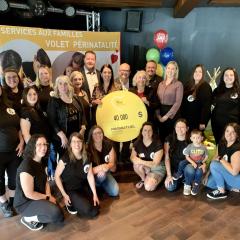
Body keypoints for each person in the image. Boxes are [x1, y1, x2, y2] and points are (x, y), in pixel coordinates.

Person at [14, 135, 64, 231]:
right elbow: (29, 194)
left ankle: (46, 208)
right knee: (56, 215)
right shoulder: (26, 166)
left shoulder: (41, 161)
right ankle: (27, 218)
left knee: (60, 214)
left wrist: (48, 195)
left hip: (38, 195)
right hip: (25, 203)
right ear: (33, 146)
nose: (43, 147)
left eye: (45, 144)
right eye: (39, 144)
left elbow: (46, 181)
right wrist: (48, 198)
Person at [55, 132, 99, 218]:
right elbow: (56, 176)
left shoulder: (87, 157)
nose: (77, 144)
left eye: (79, 141)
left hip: (82, 186)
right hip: (70, 189)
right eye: (74, 141)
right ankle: (69, 203)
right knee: (89, 211)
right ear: (70, 144)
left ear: (82, 143)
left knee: (96, 206)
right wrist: (64, 194)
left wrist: (95, 194)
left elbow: (90, 176)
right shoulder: (65, 158)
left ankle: (79, 201)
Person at [47, 75, 86, 158]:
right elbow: (52, 121)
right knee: (65, 162)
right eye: (60, 84)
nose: (63, 86)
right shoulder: (54, 100)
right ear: (57, 86)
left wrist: (83, 129)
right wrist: (62, 136)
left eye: (65, 84)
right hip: (62, 139)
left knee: (78, 159)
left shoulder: (76, 98)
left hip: (76, 138)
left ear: (69, 85)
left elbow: (83, 115)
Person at [0, 84, 24, 218]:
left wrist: (21, 141)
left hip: (15, 149)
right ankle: (4, 203)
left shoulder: (9, 104)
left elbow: (18, 125)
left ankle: (14, 201)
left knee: (15, 178)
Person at [206, 123, 240, 199]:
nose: (229, 134)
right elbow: (214, 158)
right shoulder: (221, 143)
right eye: (227, 131)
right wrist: (207, 174)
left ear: (237, 135)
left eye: (233, 132)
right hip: (228, 175)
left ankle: (222, 192)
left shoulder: (237, 149)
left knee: (215, 165)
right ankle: (231, 187)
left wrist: (221, 159)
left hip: (237, 177)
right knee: (208, 182)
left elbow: (234, 172)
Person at [130, 122, 165, 191]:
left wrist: (140, 161)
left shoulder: (158, 144)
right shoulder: (137, 143)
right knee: (136, 165)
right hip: (147, 167)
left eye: (150, 130)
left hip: (157, 168)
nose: (147, 132)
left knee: (148, 187)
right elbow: (132, 157)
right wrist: (137, 161)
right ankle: (143, 179)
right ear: (142, 132)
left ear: (152, 132)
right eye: (145, 130)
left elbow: (155, 164)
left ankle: (158, 178)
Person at [173, 129, 208, 195]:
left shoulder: (204, 147)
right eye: (194, 138)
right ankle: (179, 173)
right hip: (190, 160)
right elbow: (187, 156)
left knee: (199, 172)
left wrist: (203, 162)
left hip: (199, 162)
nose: (196, 139)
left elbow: (206, 156)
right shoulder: (190, 146)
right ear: (191, 139)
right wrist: (193, 163)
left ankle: (196, 185)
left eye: (198, 138)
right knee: (181, 163)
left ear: (202, 138)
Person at [87, 125, 119, 197]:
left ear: (103, 134)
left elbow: (112, 163)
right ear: (91, 136)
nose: (98, 135)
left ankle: (102, 186)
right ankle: (96, 186)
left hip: (105, 172)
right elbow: (87, 171)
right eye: (95, 133)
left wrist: (106, 167)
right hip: (92, 175)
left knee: (115, 192)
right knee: (102, 176)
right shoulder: (87, 149)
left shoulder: (108, 145)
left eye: (100, 132)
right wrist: (101, 167)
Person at [211, 68, 240, 144]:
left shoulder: (238, 91)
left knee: (231, 148)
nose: (228, 77)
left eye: (231, 75)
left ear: (235, 77)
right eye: (226, 75)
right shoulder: (217, 90)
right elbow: (209, 102)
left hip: (232, 126)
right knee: (220, 147)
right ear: (223, 77)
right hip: (217, 125)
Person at [156, 61, 183, 142]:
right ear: (166, 69)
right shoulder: (160, 84)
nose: (170, 70)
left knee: (170, 137)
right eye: (168, 68)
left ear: (175, 71)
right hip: (160, 112)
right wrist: (158, 115)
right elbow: (156, 100)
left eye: (173, 69)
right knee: (161, 136)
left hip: (172, 114)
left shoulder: (178, 84)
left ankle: (169, 154)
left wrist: (166, 116)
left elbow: (177, 103)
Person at [181, 64, 212, 131]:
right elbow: (183, 103)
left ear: (203, 74)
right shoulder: (188, 85)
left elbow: (206, 106)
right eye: (195, 71)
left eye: (200, 72)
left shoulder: (206, 87)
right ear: (193, 73)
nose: (197, 73)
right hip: (186, 120)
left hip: (198, 121)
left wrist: (203, 122)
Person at [164, 119, 189, 192]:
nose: (179, 129)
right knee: (170, 187)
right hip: (174, 170)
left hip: (186, 168)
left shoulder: (191, 140)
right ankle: (180, 180)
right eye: (178, 127)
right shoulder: (169, 139)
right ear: (175, 128)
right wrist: (169, 175)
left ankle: (186, 179)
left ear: (187, 128)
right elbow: (167, 158)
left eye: (182, 127)